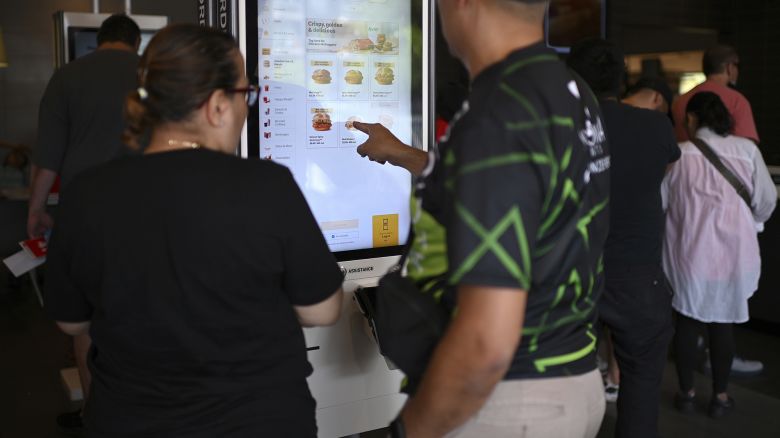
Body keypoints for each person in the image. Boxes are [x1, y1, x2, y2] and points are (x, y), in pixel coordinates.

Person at [43, 24, 344, 437]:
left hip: (130, 421)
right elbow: (322, 309)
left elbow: (71, 323)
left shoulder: (85, 193)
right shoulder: (266, 186)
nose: (248, 107)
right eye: (246, 95)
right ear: (217, 105)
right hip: (260, 422)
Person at [354, 1, 610, 436]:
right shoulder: (569, 91)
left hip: (509, 400)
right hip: (572, 377)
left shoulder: (498, 115)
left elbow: (486, 342)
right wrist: (401, 153)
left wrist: (411, 429)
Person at [27, 13, 142, 432]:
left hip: (84, 214)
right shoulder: (153, 75)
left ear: (100, 40)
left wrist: (35, 211)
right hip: (147, 213)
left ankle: (95, 415)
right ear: (134, 42)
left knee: (86, 321)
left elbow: (47, 157)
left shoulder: (66, 77)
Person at [567, 38, 680, 438]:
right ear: (622, 80)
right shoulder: (655, 126)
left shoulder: (558, 130)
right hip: (638, 279)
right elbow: (661, 171)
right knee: (642, 385)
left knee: (560, 386)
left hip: (572, 276)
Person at [663, 91, 776, 418]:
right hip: (733, 257)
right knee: (723, 325)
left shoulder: (679, 156)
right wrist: (752, 222)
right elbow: (766, 201)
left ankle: (686, 394)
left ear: (692, 119)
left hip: (689, 256)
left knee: (686, 321)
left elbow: (661, 203)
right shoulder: (747, 151)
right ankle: (721, 398)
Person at [672, 45, 759, 144]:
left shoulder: (680, 101)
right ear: (729, 67)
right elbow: (746, 146)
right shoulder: (737, 101)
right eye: (737, 65)